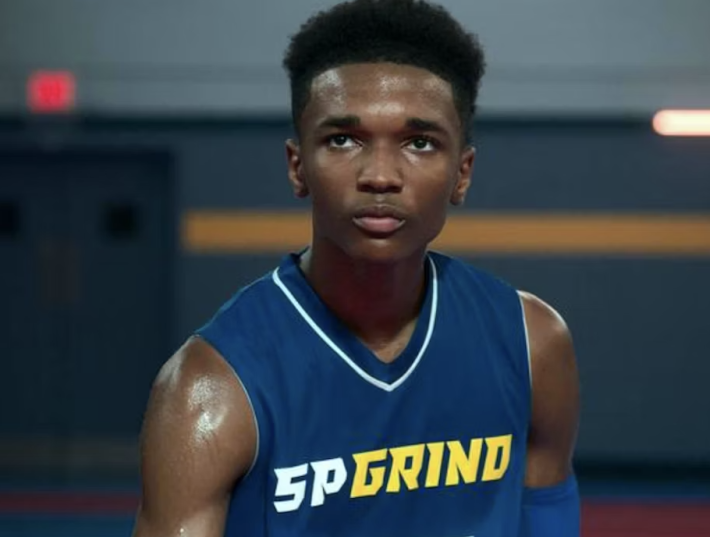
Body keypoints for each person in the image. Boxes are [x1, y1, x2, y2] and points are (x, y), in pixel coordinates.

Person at [132, 0, 581, 535]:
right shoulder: (211, 391)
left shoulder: (532, 346)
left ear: (462, 175)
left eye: (419, 143)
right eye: (343, 139)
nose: (380, 176)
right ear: (298, 167)